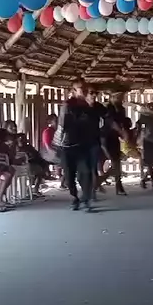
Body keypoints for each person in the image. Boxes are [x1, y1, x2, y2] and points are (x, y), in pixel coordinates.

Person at [55, 79, 94, 211]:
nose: (84, 90)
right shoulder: (68, 105)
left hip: (82, 145)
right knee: (69, 175)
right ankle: (74, 198)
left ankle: (86, 198)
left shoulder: (87, 106)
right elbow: (62, 124)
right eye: (81, 88)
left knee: (86, 172)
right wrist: (59, 143)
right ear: (74, 91)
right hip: (68, 145)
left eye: (85, 88)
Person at [98, 91, 129, 196]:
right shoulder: (108, 108)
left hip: (114, 138)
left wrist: (124, 132)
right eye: (117, 97)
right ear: (111, 97)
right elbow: (112, 123)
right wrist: (122, 133)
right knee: (114, 163)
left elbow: (122, 123)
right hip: (105, 137)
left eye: (121, 97)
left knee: (117, 162)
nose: (120, 99)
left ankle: (118, 185)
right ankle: (98, 182)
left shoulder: (121, 109)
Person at [136, 89, 153, 193]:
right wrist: (138, 135)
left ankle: (144, 179)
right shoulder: (147, 108)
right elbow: (140, 122)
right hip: (147, 137)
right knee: (149, 161)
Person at [85, 87, 107, 200]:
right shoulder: (80, 106)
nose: (94, 95)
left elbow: (108, 118)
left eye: (96, 93)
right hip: (81, 142)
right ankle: (88, 190)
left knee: (93, 168)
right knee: (85, 169)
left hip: (94, 141)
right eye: (91, 93)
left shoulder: (98, 107)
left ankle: (92, 192)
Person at [41, 114, 64, 188]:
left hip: (54, 152)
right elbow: (48, 147)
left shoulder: (56, 131)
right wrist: (57, 155)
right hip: (47, 153)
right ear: (50, 122)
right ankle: (62, 181)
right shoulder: (47, 131)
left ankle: (61, 177)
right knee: (66, 161)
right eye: (55, 120)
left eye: (57, 120)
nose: (57, 122)